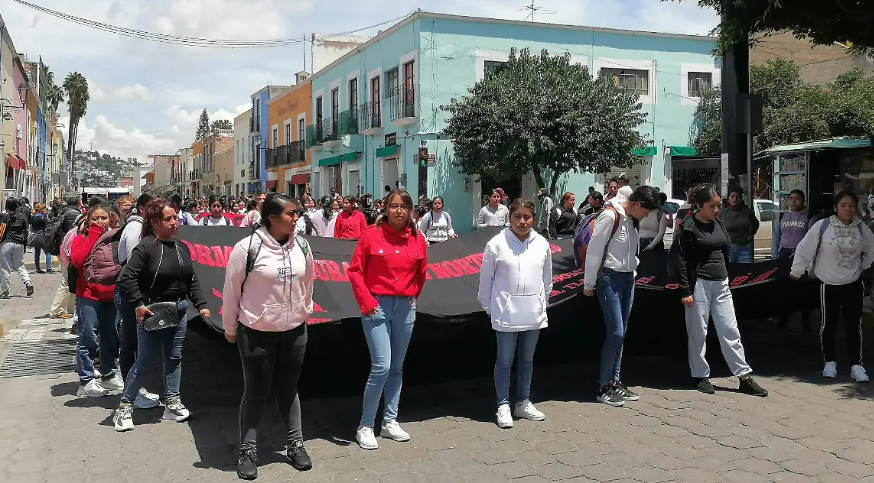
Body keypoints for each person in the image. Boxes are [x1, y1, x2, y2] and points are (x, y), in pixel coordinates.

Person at [222, 194, 315, 479]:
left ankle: (295, 444)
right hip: (257, 333)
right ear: (272, 218)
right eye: (291, 213)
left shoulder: (301, 244)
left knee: (289, 389)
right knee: (257, 392)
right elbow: (231, 290)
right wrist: (230, 328)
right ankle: (248, 450)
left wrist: (304, 310)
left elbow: (309, 279)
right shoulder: (247, 248)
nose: (296, 217)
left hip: (294, 332)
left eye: (297, 213)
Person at [113, 199, 210, 431]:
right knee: (145, 361)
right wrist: (138, 304)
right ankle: (124, 408)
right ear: (155, 222)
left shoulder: (181, 247)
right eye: (169, 219)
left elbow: (192, 279)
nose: (175, 222)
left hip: (180, 310)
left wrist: (201, 304)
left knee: (174, 358)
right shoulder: (146, 247)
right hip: (153, 312)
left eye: (176, 217)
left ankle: (172, 404)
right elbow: (128, 277)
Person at [348, 189, 428, 450]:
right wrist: (367, 302)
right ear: (384, 207)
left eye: (405, 206)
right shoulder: (371, 235)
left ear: (411, 211)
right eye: (394, 206)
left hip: (405, 308)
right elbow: (355, 271)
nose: (399, 211)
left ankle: (390, 421)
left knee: (397, 367)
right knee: (381, 365)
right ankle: (366, 425)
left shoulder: (417, 239)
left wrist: (412, 297)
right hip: (376, 307)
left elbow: (421, 274)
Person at [673, 186, 769, 397]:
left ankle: (744, 376)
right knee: (698, 332)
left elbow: (724, 250)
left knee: (730, 330)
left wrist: (726, 276)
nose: (717, 210)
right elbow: (679, 260)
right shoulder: (687, 227)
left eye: (719, 205)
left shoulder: (719, 223)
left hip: (721, 283)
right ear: (700, 205)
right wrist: (685, 290)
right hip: (699, 285)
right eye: (712, 206)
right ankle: (700, 375)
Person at [479, 198, 552, 429]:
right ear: (509, 218)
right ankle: (503, 404)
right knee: (504, 360)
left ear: (533, 218)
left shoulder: (542, 244)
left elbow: (547, 280)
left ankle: (523, 401)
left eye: (527, 216)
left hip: (533, 312)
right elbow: (485, 281)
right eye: (517, 216)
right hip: (506, 313)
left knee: (527, 359)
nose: (522, 221)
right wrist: (490, 309)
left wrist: (542, 303)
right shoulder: (496, 244)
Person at [583, 186, 659, 407]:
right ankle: (603, 386)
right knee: (615, 332)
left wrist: (632, 271)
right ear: (636, 204)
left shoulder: (632, 219)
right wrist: (589, 283)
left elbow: (630, 251)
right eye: (646, 211)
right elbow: (595, 251)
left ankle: (615, 382)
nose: (646, 216)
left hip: (627, 280)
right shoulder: (610, 216)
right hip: (609, 279)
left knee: (621, 333)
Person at [790, 191, 874, 383]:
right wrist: (797, 270)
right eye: (843, 205)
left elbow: (871, 249)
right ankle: (830, 362)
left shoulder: (862, 228)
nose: (848, 209)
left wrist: (864, 267)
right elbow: (805, 248)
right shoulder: (823, 226)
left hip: (853, 284)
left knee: (854, 326)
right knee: (828, 325)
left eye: (852, 205)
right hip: (829, 284)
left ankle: (856, 365)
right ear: (836, 207)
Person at [70, 204, 122, 398]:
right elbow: (78, 260)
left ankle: (109, 374)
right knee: (88, 337)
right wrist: (93, 235)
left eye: (104, 218)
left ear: (110, 219)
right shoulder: (80, 238)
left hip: (110, 294)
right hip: (88, 295)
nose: (100, 222)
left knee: (111, 336)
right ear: (88, 219)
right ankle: (86, 380)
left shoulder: (116, 238)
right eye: (95, 218)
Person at [116, 192, 161, 410]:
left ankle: (133, 389)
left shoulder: (137, 227)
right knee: (131, 342)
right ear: (144, 208)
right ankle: (131, 391)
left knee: (132, 341)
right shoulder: (135, 230)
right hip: (130, 294)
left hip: (133, 293)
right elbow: (134, 266)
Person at [772, 189, 814, 329]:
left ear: (803, 200)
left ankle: (805, 319)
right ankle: (783, 318)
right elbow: (776, 236)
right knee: (785, 287)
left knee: (803, 287)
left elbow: (812, 238)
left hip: (802, 255)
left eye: (797, 198)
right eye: (791, 198)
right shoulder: (782, 216)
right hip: (784, 253)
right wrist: (774, 255)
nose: (793, 201)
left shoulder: (808, 216)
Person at [50, 194, 83, 318]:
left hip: (62, 249)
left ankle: (70, 308)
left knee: (71, 279)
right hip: (68, 252)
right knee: (67, 280)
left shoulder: (64, 211)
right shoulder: (74, 214)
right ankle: (56, 309)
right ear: (79, 201)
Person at [0, 198, 34, 298]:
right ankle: (28, 282)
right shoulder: (22, 217)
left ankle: (6, 291)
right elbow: (26, 231)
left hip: (7, 243)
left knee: (5, 267)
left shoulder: (4, 216)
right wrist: (25, 244)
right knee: (20, 265)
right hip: (19, 243)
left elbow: (1, 230)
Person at [719, 187, 759, 263]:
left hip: (744, 247)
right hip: (729, 249)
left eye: (738, 197)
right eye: (732, 196)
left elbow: (755, 223)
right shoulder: (723, 213)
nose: (735, 199)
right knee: (730, 272)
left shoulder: (747, 211)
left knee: (746, 272)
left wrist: (751, 234)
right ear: (728, 199)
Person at [29, 203, 53, 273]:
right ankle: (48, 268)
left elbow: (31, 227)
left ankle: (38, 268)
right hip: (42, 235)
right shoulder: (43, 217)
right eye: (43, 209)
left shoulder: (33, 217)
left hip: (35, 236)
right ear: (40, 210)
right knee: (47, 252)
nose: (44, 210)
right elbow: (46, 226)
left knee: (37, 252)